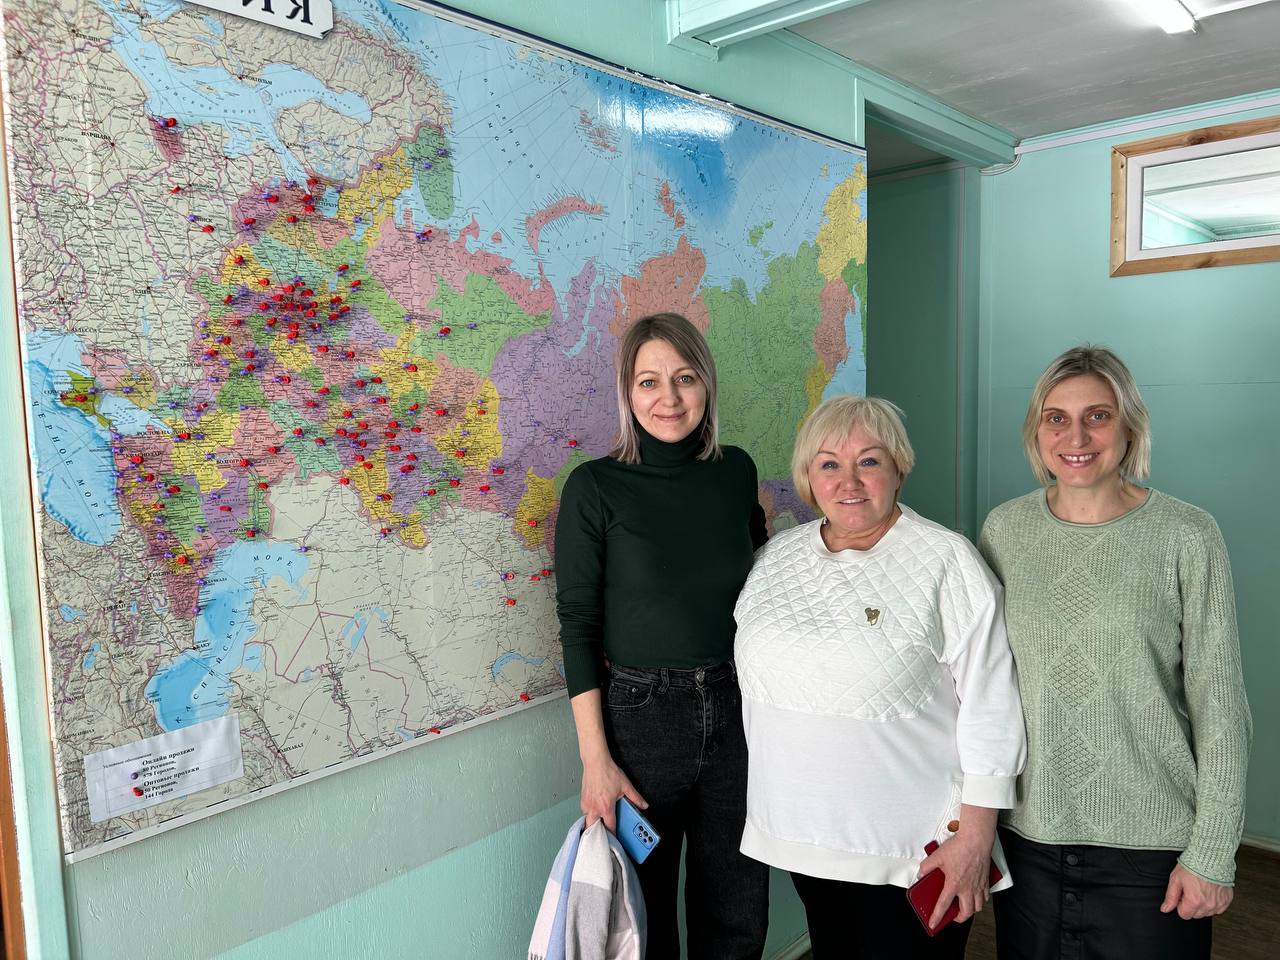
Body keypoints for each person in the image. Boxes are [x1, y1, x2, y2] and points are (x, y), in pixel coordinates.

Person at [978, 345, 1252, 960]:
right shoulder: (1004, 531)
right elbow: (982, 688)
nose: (1076, 437)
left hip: (1153, 851)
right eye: (1056, 418)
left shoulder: (1188, 534)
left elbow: (1221, 707)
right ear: (1037, 431)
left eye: (1097, 416)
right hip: (1029, 838)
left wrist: (1213, 851)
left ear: (1130, 426)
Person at [734, 394, 1027, 959]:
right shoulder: (774, 561)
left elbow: (993, 707)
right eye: (829, 464)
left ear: (898, 468)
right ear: (808, 476)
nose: (849, 481)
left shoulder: (948, 561)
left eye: (869, 461)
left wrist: (977, 836)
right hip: (803, 840)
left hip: (914, 853)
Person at [554, 312, 770, 959]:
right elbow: (578, 627)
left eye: (684, 378)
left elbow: (765, 586)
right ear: (628, 392)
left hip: (736, 709)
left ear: (706, 385)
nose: (668, 398)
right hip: (641, 722)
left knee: (736, 911)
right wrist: (595, 762)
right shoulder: (594, 487)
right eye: (648, 381)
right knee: (642, 922)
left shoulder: (736, 471)